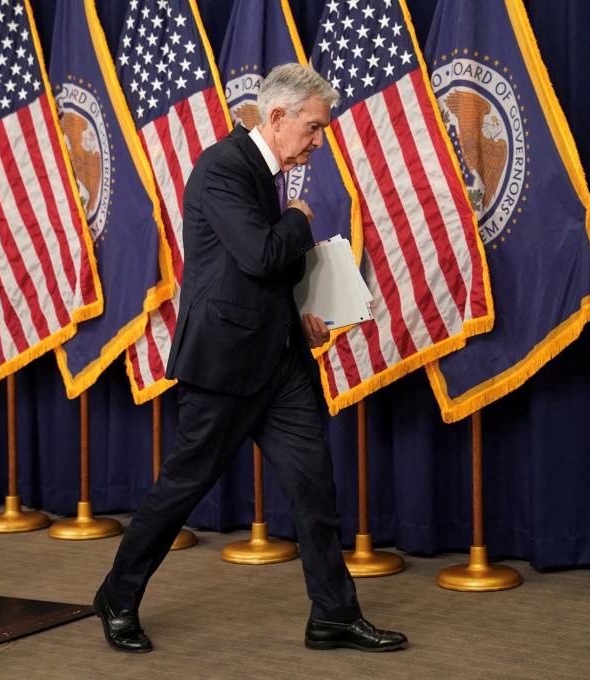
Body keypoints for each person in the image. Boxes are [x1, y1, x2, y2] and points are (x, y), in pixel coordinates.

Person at [93, 63, 407, 654]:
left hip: (280, 360)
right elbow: (261, 254)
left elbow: (258, 273)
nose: (319, 141)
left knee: (315, 487)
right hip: (224, 363)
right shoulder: (222, 168)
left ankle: (334, 615)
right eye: (313, 128)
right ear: (278, 116)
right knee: (182, 488)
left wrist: (302, 313)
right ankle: (118, 593)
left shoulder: (269, 172)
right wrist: (301, 218)